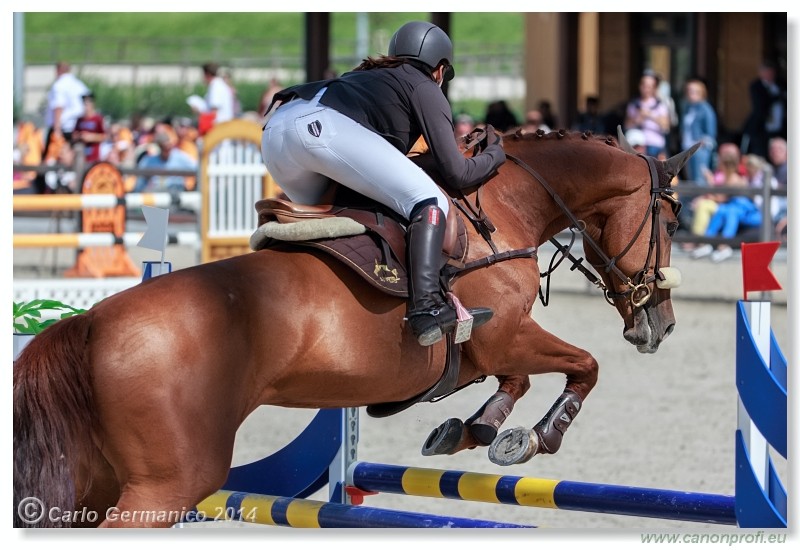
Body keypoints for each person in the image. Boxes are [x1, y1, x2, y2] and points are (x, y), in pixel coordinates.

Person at [261, 21, 505, 347]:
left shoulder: (368, 76)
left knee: (342, 216)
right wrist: (496, 155)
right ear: (440, 68)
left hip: (276, 132)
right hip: (323, 131)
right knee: (427, 200)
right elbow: (457, 173)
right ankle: (428, 306)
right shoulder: (423, 85)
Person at [35, 61, 90, 193]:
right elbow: (87, 105)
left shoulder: (59, 85)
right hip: (78, 129)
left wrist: (57, 131)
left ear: (58, 71)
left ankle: (44, 194)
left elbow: (58, 107)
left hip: (61, 129)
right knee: (74, 163)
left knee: (49, 163)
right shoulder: (79, 85)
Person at [741, 60, 786, 158]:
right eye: (767, 73)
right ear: (761, 73)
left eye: (771, 73)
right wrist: (778, 97)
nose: (770, 75)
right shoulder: (756, 86)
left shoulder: (781, 84)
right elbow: (761, 104)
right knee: (761, 154)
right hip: (761, 128)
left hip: (779, 128)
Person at [623, 71, 671, 159]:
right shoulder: (633, 104)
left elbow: (666, 126)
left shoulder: (660, 105)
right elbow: (626, 125)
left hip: (656, 146)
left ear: (654, 88)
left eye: (649, 86)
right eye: (644, 86)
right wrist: (638, 119)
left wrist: (650, 115)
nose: (646, 89)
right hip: (638, 147)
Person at [679, 78, 717, 183]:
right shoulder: (687, 108)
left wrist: (701, 144)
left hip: (699, 150)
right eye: (689, 91)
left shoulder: (706, 109)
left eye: (694, 91)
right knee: (690, 178)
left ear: (701, 93)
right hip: (687, 148)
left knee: (699, 179)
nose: (691, 94)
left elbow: (711, 133)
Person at [71, 92, 107, 164]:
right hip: (81, 156)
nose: (86, 106)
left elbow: (104, 136)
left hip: (94, 156)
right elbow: (74, 135)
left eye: (88, 103)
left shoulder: (98, 119)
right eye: (84, 103)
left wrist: (91, 137)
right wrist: (80, 136)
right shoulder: (80, 120)